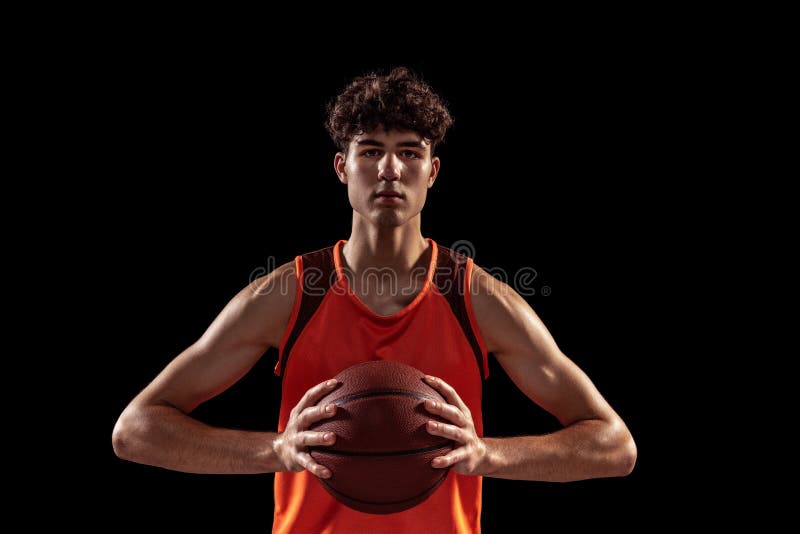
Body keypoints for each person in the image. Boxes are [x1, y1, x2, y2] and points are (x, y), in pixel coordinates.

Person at [112, 66, 636, 533]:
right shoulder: (291, 294)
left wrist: (487, 455)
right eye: (371, 151)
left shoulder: (476, 299)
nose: (390, 169)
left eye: (410, 151)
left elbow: (614, 445)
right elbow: (136, 430)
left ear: (432, 172)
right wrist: (277, 450)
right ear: (342, 167)